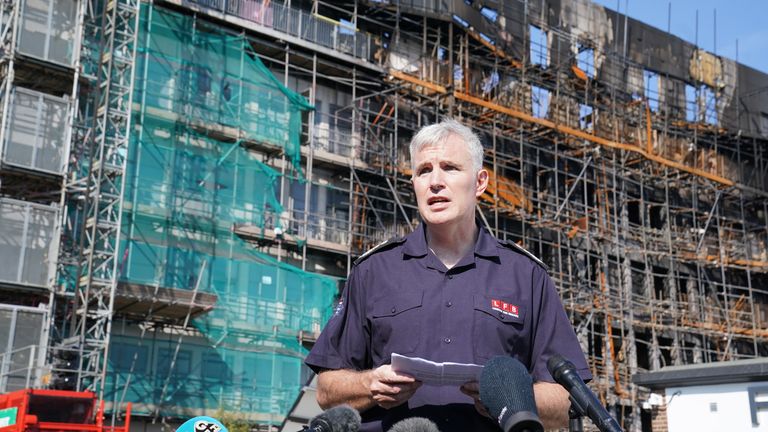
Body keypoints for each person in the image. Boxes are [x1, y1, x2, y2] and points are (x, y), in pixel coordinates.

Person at [305, 119, 591, 431]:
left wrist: (510, 398)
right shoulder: (373, 271)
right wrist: (370, 384)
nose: (435, 181)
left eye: (450, 168)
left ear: (480, 182)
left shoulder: (526, 276)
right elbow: (326, 390)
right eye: (423, 170)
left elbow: (568, 400)